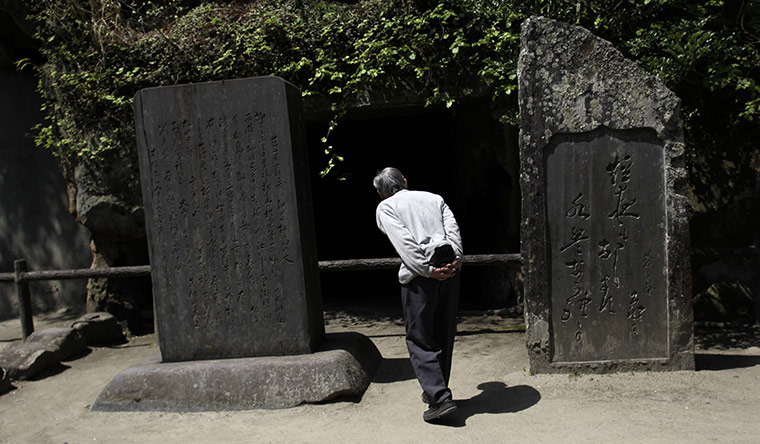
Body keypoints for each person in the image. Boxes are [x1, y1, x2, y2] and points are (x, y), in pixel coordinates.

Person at [373, 167, 463, 422]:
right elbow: (453, 231)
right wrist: (455, 261)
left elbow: (405, 243)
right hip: (450, 269)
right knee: (443, 332)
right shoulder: (434, 198)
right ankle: (436, 389)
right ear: (404, 181)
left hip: (420, 278)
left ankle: (440, 399)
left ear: (381, 193)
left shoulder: (386, 207)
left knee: (420, 337)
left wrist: (427, 270)